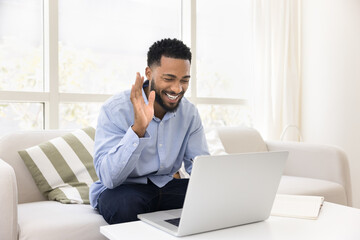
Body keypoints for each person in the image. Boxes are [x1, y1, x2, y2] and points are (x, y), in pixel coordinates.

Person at [89, 38, 209, 224]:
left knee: (215, 199)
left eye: (184, 80)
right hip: (125, 190)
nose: (177, 89)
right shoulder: (115, 110)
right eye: (168, 79)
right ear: (149, 73)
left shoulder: (189, 113)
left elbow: (201, 166)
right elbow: (109, 179)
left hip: (167, 186)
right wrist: (138, 130)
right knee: (125, 204)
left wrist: (217, 189)